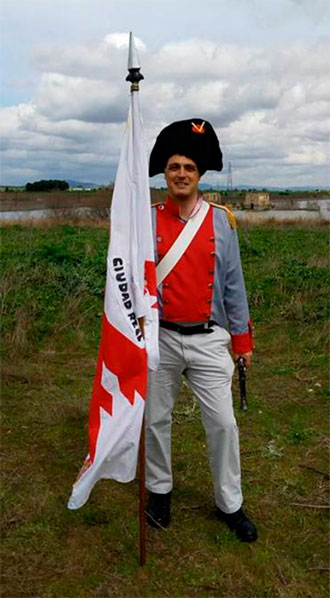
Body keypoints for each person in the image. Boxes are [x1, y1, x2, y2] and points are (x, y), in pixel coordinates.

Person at [145, 118, 257, 543]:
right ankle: (159, 493)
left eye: (188, 167)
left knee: (224, 425)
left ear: (199, 174)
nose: (181, 174)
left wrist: (242, 342)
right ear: (165, 173)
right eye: (174, 166)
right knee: (155, 420)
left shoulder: (222, 222)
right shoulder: (148, 221)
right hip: (162, 338)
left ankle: (230, 503)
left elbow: (234, 286)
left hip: (210, 339)